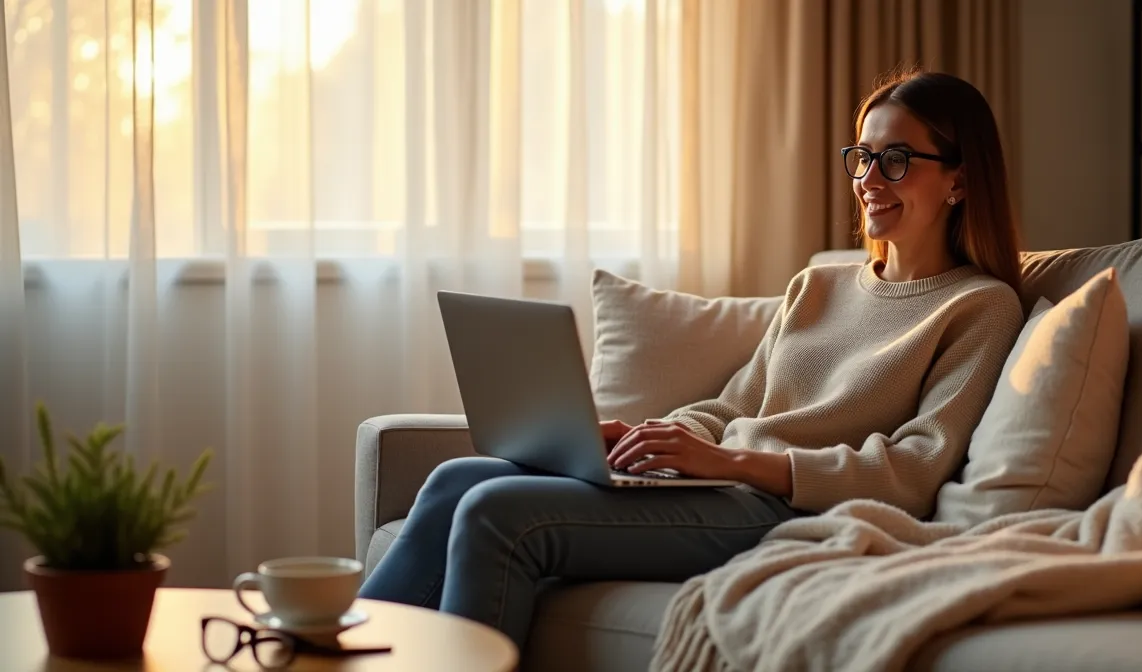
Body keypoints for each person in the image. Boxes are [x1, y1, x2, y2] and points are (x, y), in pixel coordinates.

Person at [357, 67, 1025, 651]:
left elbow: (913, 471)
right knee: (453, 480)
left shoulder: (979, 307)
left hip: (785, 509)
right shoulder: (819, 285)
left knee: (495, 512)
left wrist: (733, 462)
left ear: (958, 182)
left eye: (897, 160)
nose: (869, 180)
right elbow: (734, 406)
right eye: (862, 157)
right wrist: (654, 436)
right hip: (715, 485)